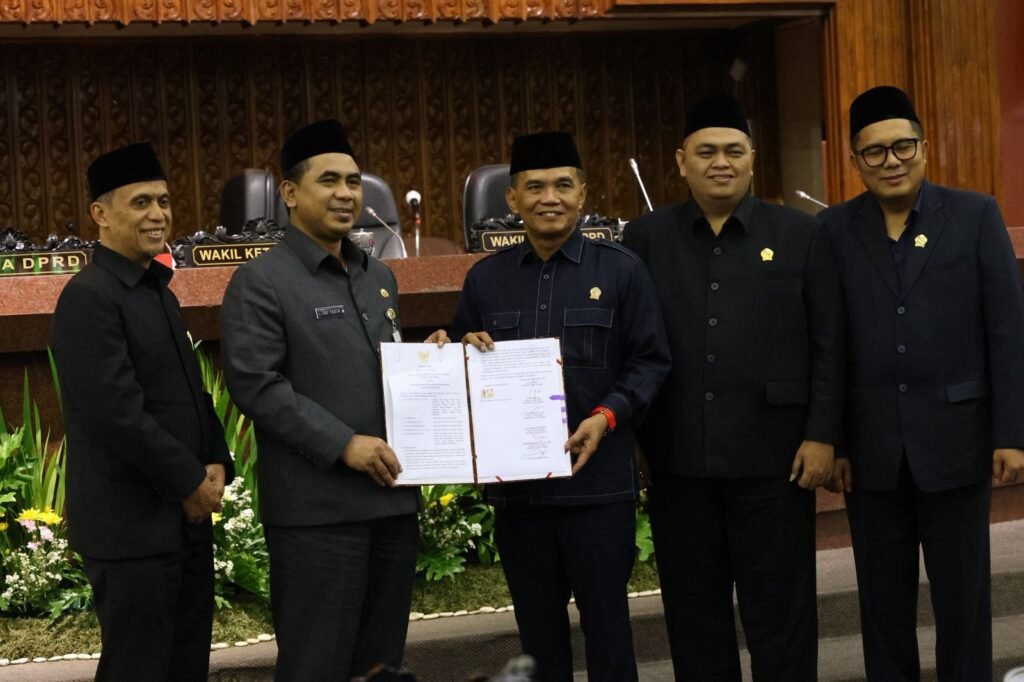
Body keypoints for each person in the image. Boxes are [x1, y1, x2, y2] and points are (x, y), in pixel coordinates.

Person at [622, 93, 843, 681]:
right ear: (681, 161)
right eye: (706, 151)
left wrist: (823, 435)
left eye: (733, 150)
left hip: (776, 463)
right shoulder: (644, 239)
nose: (721, 162)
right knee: (695, 623)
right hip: (679, 465)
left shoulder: (800, 234)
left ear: (752, 158)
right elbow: (629, 347)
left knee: (783, 621)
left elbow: (829, 342)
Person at [220, 119, 448, 681]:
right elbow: (256, 384)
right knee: (316, 664)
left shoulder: (379, 277)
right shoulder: (261, 281)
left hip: (392, 505)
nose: (346, 194)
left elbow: (377, 365)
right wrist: (342, 444)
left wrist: (436, 361)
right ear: (291, 193)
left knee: (380, 666)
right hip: (317, 517)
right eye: (329, 181)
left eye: (353, 181)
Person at [820, 85, 1024, 681]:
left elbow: (1007, 332)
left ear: (924, 147)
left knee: (964, 602)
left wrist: (1011, 433)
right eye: (874, 152)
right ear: (856, 162)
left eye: (902, 146)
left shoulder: (975, 214)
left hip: (958, 442)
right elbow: (829, 344)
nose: (891, 161)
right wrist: (835, 441)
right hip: (871, 454)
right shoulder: (833, 230)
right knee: (883, 607)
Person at [453, 131, 671, 682]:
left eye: (563, 185)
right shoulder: (485, 279)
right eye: (535, 187)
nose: (549, 197)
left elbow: (650, 362)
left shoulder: (621, 271)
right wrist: (452, 351)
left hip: (599, 492)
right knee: (538, 641)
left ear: (583, 193)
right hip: (520, 498)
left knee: (610, 635)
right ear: (512, 199)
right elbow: (460, 365)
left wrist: (606, 416)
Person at [51, 142, 233, 681]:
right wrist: (189, 482)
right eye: (141, 203)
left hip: (182, 524)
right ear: (101, 215)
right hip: (131, 531)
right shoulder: (90, 297)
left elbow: (190, 391)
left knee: (184, 669)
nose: (159, 214)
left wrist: (217, 458)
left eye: (163, 200)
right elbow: (117, 414)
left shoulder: (156, 289)